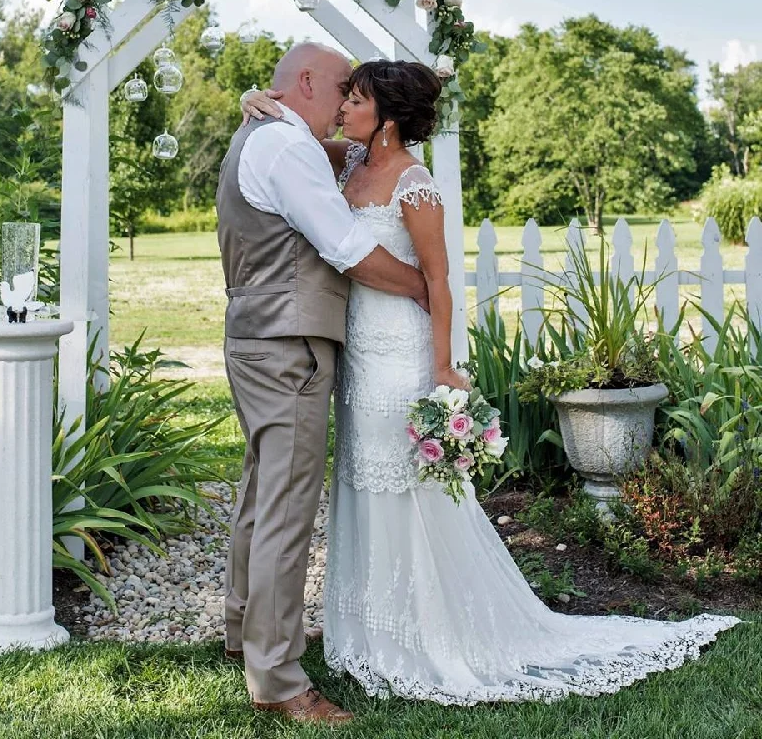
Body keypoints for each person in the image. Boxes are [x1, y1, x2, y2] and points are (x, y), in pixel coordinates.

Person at [240, 56, 739, 706]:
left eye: (356, 101)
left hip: (402, 355)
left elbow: (441, 280)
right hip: (357, 354)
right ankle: (368, 629)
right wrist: (257, 96)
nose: (343, 109)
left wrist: (444, 368)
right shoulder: (348, 162)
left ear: (387, 117)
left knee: (411, 488)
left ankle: (430, 634)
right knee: (363, 484)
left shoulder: (415, 185)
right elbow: (294, 132)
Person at [216, 43, 431, 725]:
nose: (343, 106)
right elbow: (346, 249)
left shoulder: (272, 135)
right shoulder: (285, 148)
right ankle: (278, 679)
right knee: (284, 506)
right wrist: (426, 288)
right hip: (290, 344)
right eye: (340, 89)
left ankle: (246, 631)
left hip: (261, 335)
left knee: (262, 490)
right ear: (305, 82)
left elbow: (344, 153)